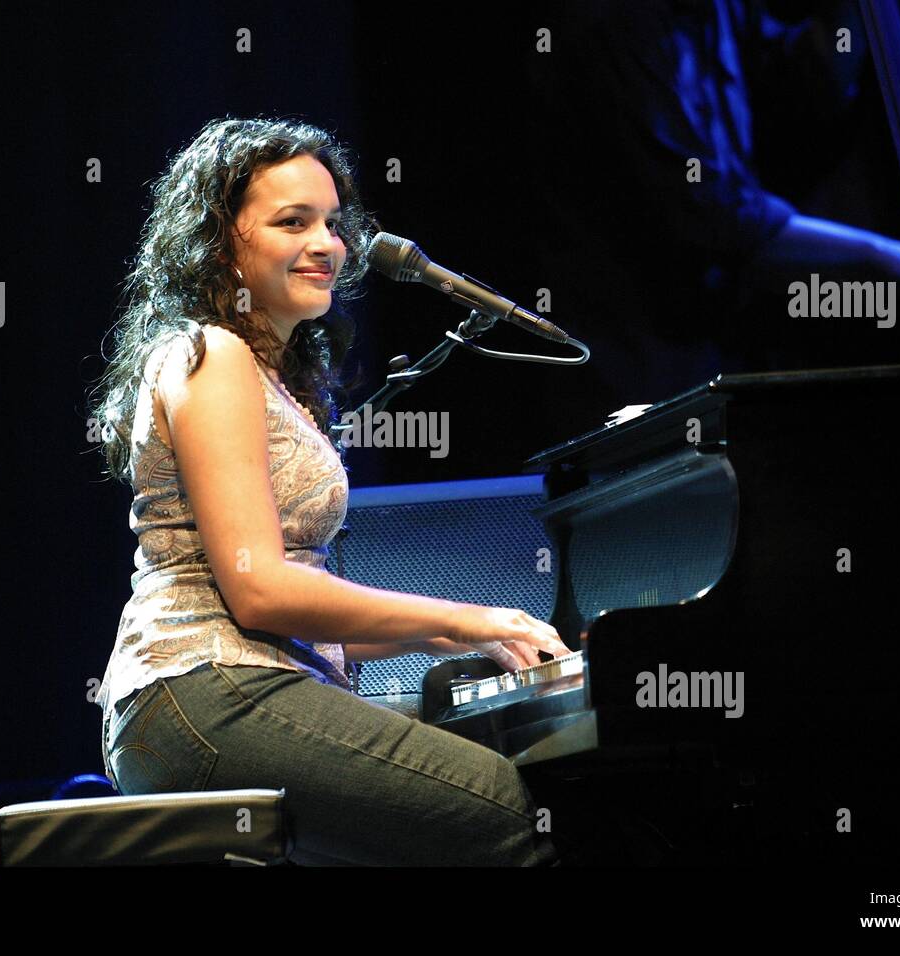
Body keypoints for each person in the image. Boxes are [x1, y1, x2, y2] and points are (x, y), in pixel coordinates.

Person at [87, 116, 570, 866]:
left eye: (333, 223)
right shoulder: (210, 354)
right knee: (508, 813)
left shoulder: (269, 375)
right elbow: (260, 596)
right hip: (204, 690)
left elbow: (302, 615)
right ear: (221, 241)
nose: (328, 244)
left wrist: (462, 635)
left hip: (228, 687)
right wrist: (472, 615)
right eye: (293, 222)